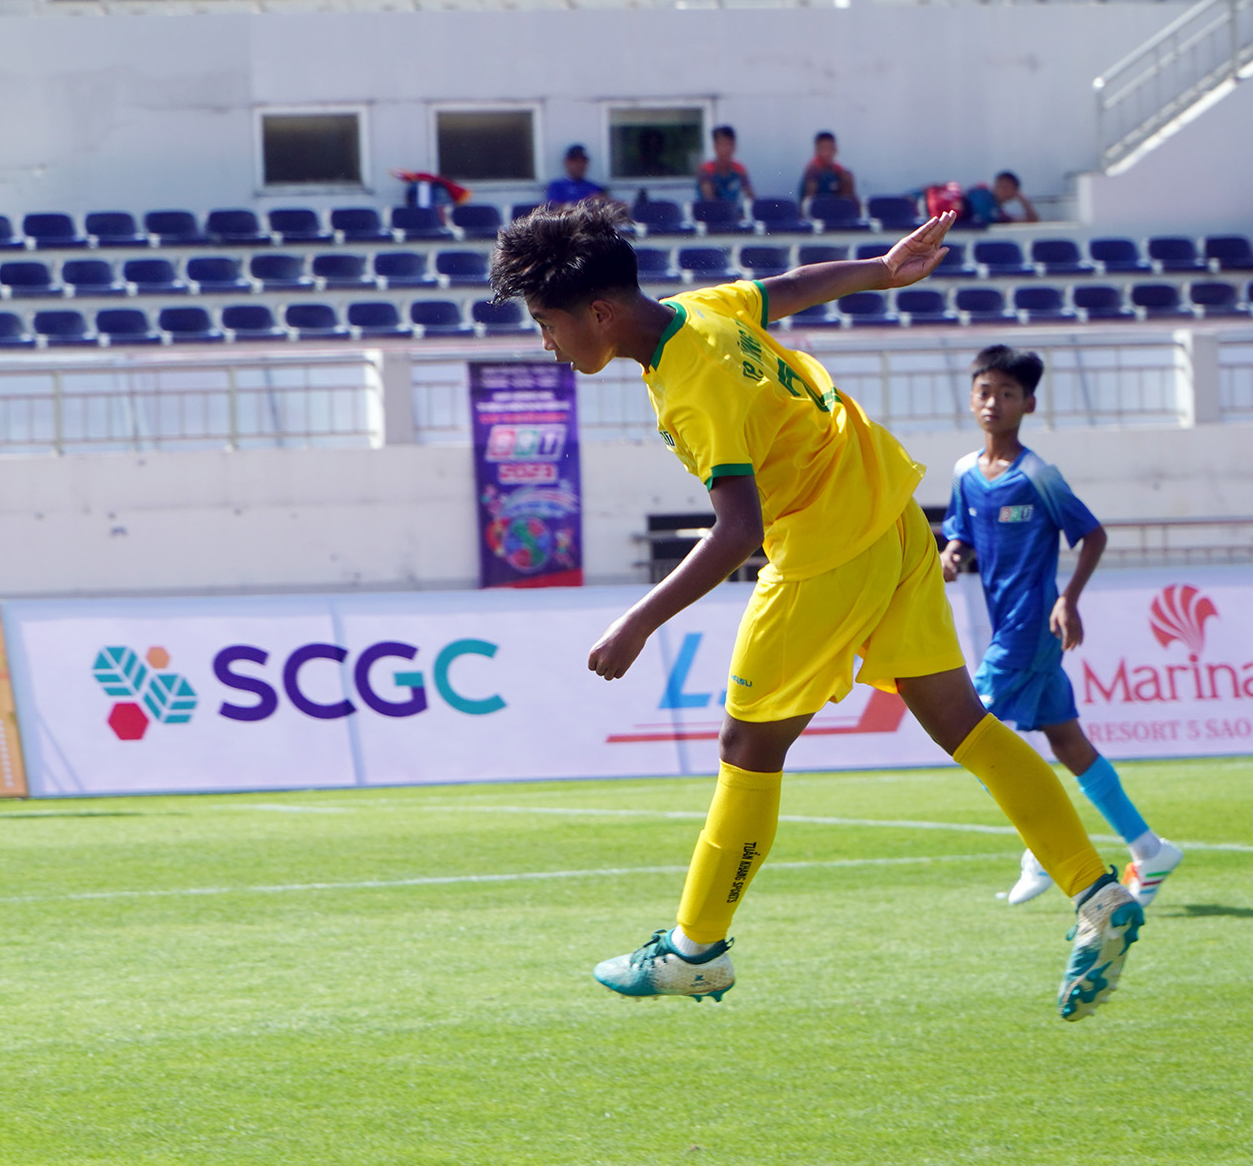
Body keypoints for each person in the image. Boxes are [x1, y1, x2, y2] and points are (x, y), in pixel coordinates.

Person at [485, 199, 1146, 1020]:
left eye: (547, 323)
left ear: (598, 311)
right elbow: (791, 287)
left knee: (746, 741)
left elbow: (739, 530)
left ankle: (696, 949)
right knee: (961, 721)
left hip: (828, 547)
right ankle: (1095, 891)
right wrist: (881, 269)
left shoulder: (692, 388)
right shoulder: (699, 311)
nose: (547, 343)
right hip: (893, 512)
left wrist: (639, 620)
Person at [943, 345, 1184, 910]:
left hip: (1030, 630)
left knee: (970, 733)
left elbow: (1092, 534)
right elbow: (963, 530)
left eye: (1007, 393)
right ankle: (1150, 850)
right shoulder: (963, 472)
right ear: (971, 397)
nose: (993, 402)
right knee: (1066, 742)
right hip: (1009, 627)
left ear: (1028, 403)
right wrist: (953, 550)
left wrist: (1068, 600)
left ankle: (1044, 851)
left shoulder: (1038, 475)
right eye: (985, 391)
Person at [696, 124, 752, 208]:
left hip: (731, 214)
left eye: (729, 144)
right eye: (722, 144)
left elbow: (750, 196)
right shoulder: (707, 169)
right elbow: (710, 200)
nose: (726, 149)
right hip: (709, 215)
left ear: (734, 147)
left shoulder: (739, 169)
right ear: (715, 148)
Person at [961, 170, 1038, 226]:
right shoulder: (981, 194)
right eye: (999, 185)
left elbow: (1033, 220)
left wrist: (1023, 200)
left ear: (1014, 192)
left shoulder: (999, 212)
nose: (1001, 190)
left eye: (1006, 188)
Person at [796, 131, 856, 203]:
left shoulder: (840, 172)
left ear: (835, 150)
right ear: (816, 151)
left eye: (830, 148)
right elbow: (808, 202)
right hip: (817, 211)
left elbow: (851, 199)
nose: (827, 153)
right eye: (823, 149)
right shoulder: (812, 171)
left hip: (836, 210)